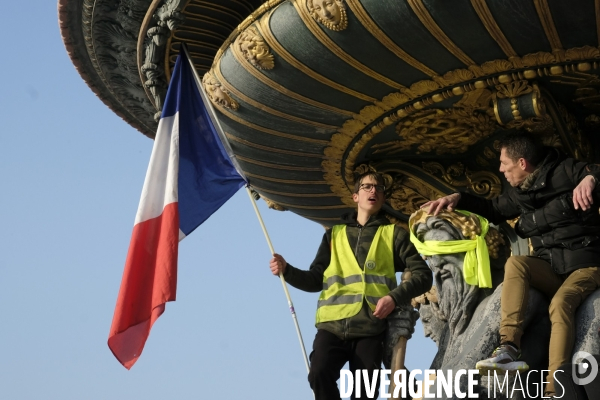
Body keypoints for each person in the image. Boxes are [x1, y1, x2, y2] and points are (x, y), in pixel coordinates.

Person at [422, 132, 600, 397]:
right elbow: (493, 209)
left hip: (585, 264)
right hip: (551, 266)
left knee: (561, 303)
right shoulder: (521, 192)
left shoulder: (566, 170)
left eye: (505, 164)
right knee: (517, 263)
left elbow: (595, 169)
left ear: (522, 163)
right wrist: (458, 198)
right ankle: (508, 349)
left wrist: (591, 178)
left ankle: (556, 386)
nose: (501, 170)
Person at [269, 171, 432, 400]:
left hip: (371, 328)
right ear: (355, 197)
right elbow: (316, 279)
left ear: (384, 198)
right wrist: (287, 270)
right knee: (318, 374)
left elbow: (423, 275)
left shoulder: (394, 235)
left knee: (364, 392)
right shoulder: (333, 235)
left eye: (378, 188)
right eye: (366, 187)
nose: (373, 190)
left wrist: (393, 298)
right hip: (332, 325)